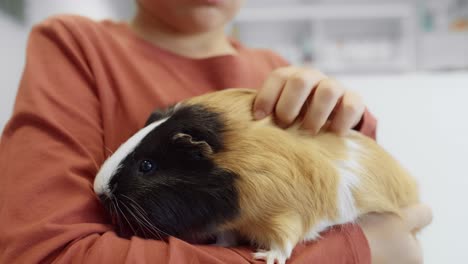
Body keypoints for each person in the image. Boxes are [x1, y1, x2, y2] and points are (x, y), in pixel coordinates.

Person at [0, 0, 432, 263]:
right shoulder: (76, 46)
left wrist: (350, 123)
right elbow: (45, 256)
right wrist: (351, 252)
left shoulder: (280, 75)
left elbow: (392, 218)